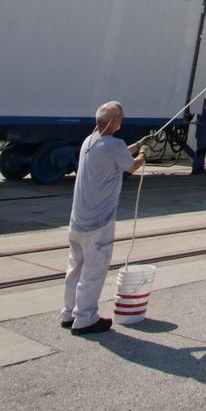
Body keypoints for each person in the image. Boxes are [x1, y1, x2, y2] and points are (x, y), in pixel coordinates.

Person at [59, 101, 148, 335]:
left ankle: (68, 314)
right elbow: (132, 167)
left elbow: (116, 153)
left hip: (78, 221)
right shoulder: (114, 145)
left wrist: (138, 144)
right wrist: (143, 154)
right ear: (114, 121)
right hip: (99, 223)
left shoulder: (90, 141)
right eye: (121, 117)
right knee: (94, 272)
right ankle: (85, 318)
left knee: (74, 269)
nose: (122, 120)